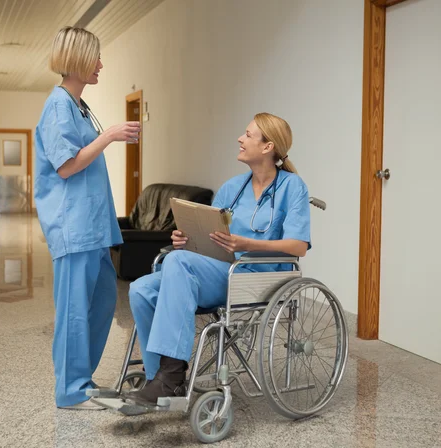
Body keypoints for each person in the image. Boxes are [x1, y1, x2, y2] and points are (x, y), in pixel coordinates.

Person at [127, 112, 311, 406]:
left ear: (267, 147)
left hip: (256, 277)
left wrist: (247, 243)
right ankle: (158, 377)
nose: (240, 138)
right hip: (223, 271)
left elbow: (298, 246)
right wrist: (186, 240)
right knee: (140, 289)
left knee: (178, 263)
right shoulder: (232, 189)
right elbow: (213, 236)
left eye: (249, 135)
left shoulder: (292, 187)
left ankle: (172, 376)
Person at [34, 26, 141, 410]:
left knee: (103, 297)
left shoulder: (78, 106)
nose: (100, 64)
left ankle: (83, 378)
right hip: (73, 225)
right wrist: (110, 135)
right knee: (75, 309)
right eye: (95, 57)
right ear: (77, 59)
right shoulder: (58, 105)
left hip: (93, 225)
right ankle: (71, 389)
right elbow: (65, 166)